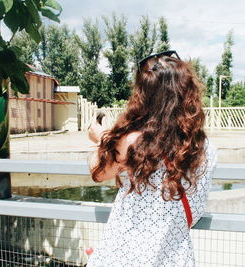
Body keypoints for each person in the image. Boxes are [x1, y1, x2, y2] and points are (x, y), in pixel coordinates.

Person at [86, 50, 218, 267]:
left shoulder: (132, 142)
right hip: (175, 259)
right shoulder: (206, 148)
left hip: (125, 257)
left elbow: (98, 172)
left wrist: (102, 138)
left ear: (144, 96)